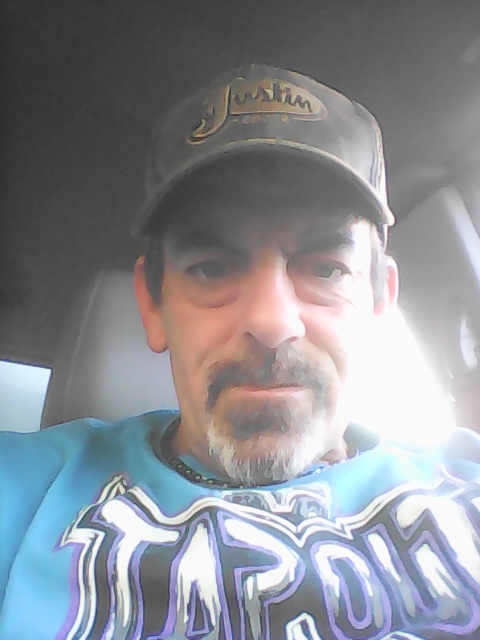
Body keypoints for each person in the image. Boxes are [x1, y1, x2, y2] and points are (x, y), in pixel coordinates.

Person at [1, 63, 479, 640]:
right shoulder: (25, 487)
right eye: (211, 268)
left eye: (326, 269)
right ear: (153, 306)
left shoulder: (464, 481)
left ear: (378, 304)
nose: (272, 323)